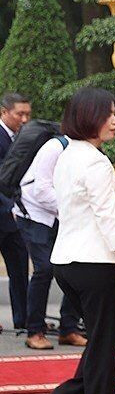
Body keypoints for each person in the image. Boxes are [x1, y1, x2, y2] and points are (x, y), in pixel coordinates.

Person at [42, 88, 115, 394]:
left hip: (67, 260)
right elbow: (108, 218)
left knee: (105, 338)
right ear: (88, 117)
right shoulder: (95, 162)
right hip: (93, 261)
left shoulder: (69, 156)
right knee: (104, 344)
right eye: (108, 114)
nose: (114, 121)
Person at [14, 124, 85, 350]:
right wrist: (72, 208)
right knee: (44, 269)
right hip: (34, 214)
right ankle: (34, 330)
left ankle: (69, 328)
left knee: (75, 268)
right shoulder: (54, 147)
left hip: (61, 216)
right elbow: (41, 190)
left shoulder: (87, 150)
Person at [0, 92, 34, 330]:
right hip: (5, 210)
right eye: (19, 114)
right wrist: (8, 205)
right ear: (4, 112)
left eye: (28, 115)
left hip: (15, 219)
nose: (24, 120)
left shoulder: (26, 139)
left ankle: (22, 320)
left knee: (20, 270)